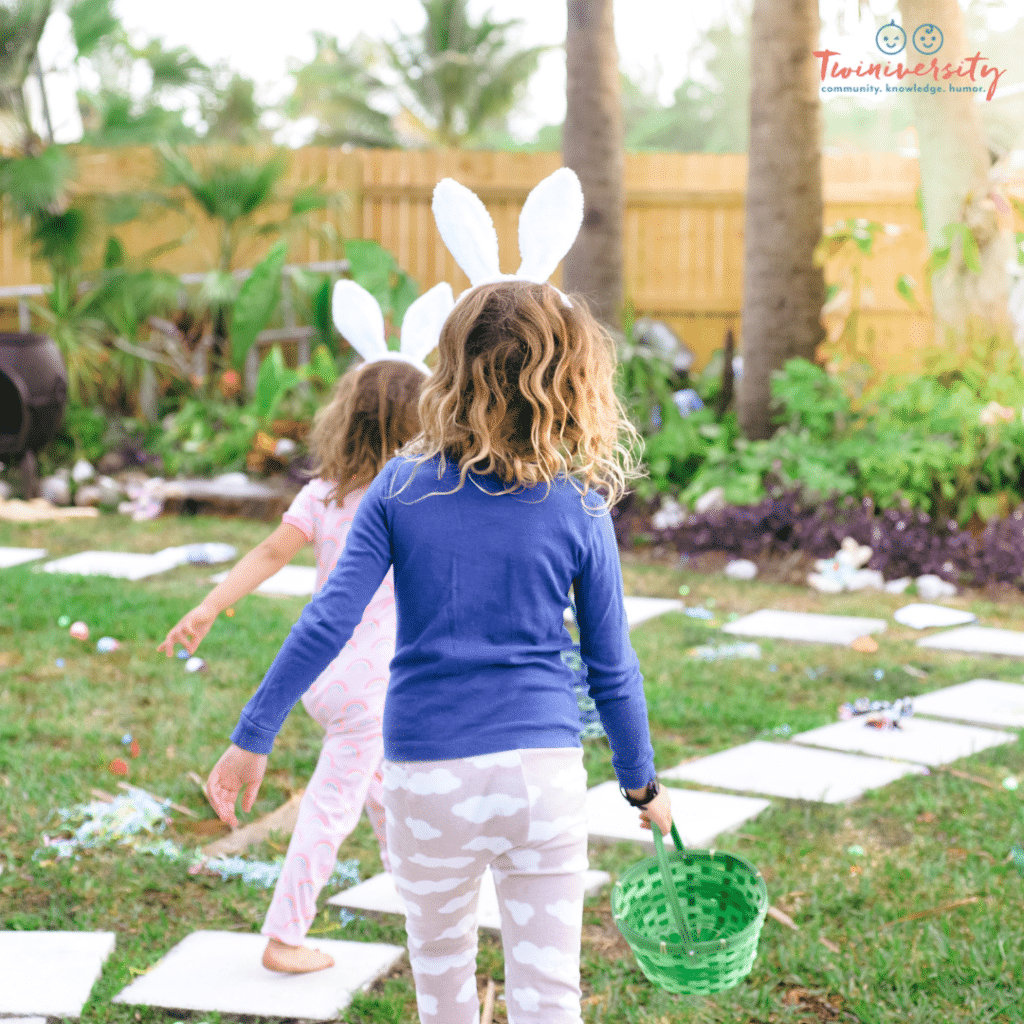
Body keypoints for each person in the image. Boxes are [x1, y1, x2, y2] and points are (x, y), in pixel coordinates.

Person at [205, 169, 672, 1023]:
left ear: (448, 368)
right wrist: (641, 786)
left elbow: (328, 622)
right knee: (548, 998)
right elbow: (614, 667)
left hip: (427, 778)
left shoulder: (397, 487)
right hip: (541, 778)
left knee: (445, 994)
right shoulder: (578, 503)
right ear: (571, 376)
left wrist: (253, 735)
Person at [158, 278, 454, 975]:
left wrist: (207, 606)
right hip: (374, 683)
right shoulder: (420, 496)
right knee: (332, 808)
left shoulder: (322, 494)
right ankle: (285, 937)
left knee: (385, 792)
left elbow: (267, 554)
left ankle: (420, 911)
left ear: (346, 419)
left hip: (322, 673)